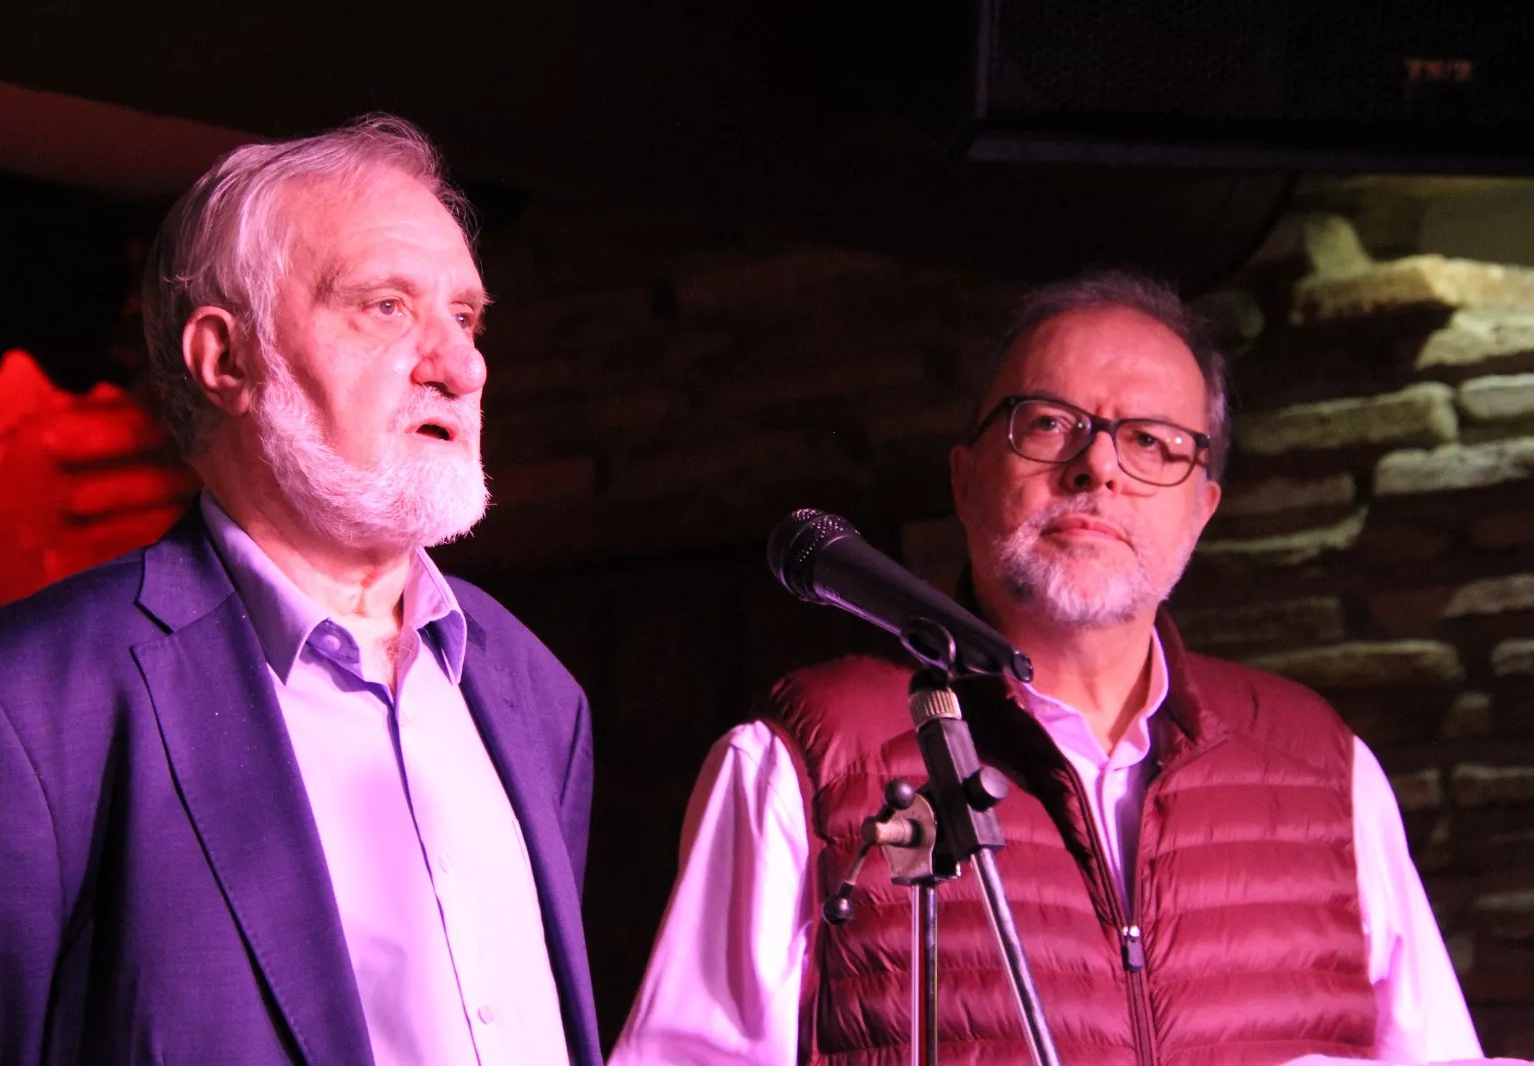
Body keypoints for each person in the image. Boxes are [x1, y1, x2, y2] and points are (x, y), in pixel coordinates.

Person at [608, 271, 1493, 1066]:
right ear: (964, 480)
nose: (1097, 465)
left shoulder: (1323, 767)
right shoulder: (806, 757)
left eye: (1152, 443)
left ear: (1202, 510)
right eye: (1049, 424)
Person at [0, 115, 601, 1066]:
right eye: (386, 307)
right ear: (227, 360)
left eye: (464, 317)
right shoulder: (21, 712)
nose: (462, 367)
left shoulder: (538, 695)